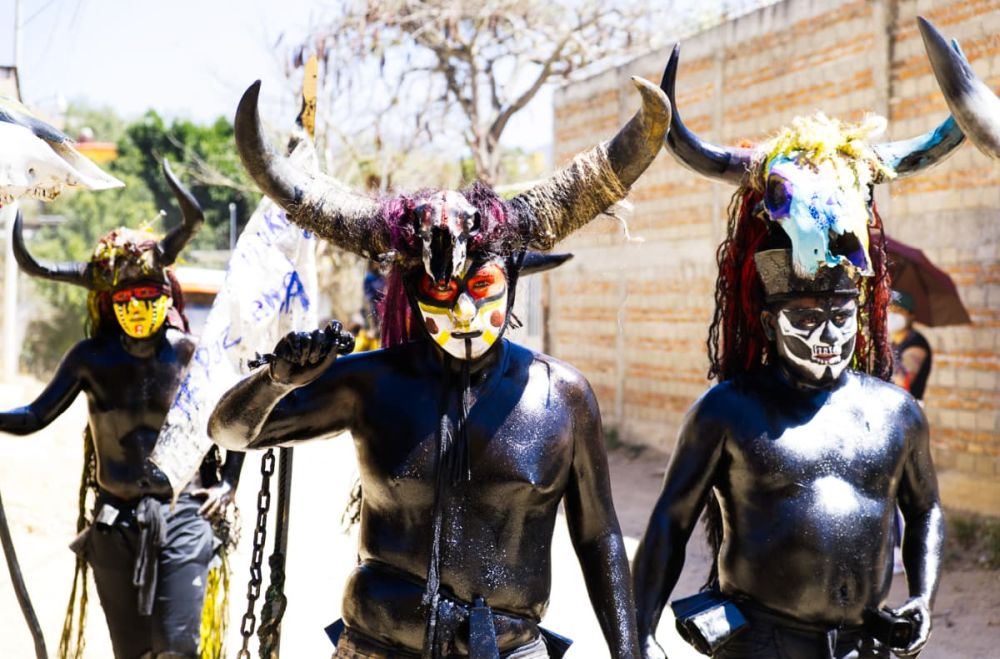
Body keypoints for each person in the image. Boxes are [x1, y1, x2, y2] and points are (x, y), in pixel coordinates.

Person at [208, 72, 671, 658]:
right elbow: (228, 431)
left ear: (512, 280)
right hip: (377, 646)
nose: (466, 313)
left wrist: (628, 651)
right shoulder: (372, 383)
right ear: (411, 291)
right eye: (442, 296)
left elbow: (598, 533)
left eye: (482, 286)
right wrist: (276, 381)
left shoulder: (562, 396)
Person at [631, 47, 958, 659]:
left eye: (839, 315)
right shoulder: (728, 410)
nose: (827, 335)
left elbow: (926, 513)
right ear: (766, 317)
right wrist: (638, 638)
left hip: (867, 645)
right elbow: (669, 524)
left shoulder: (896, 413)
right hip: (760, 643)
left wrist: (923, 600)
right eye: (805, 318)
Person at [0, 161, 245, 659]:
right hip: (113, 526)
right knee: (131, 654)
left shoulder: (189, 353)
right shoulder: (90, 358)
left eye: (148, 295)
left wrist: (228, 480)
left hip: (182, 514)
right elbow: (32, 417)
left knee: (177, 648)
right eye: (125, 297)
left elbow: (234, 418)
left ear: (165, 295)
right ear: (109, 302)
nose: (137, 308)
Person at [889, 290, 932, 403]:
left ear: (911, 316)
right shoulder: (891, 342)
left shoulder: (916, 343)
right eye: (890, 309)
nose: (893, 314)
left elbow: (903, 382)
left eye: (900, 310)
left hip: (908, 408)